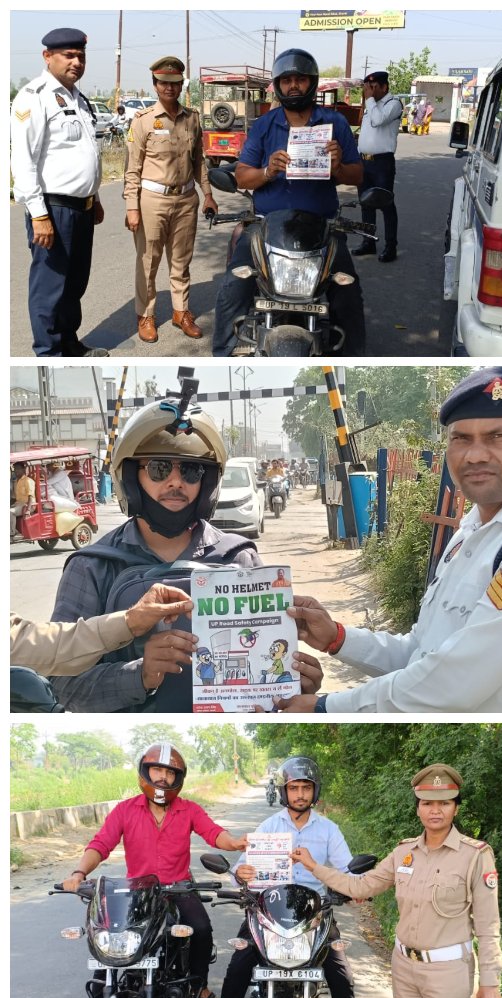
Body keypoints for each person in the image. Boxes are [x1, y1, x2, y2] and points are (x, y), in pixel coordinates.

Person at [270, 367, 502, 713]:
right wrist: (337, 637)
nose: (475, 455)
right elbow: (420, 654)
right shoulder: (467, 534)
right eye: (461, 438)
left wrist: (325, 708)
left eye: (498, 436)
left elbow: (451, 682)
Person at [48, 390, 322, 711]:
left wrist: (292, 681)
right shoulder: (92, 567)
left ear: (206, 484)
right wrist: (141, 675)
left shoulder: (238, 558)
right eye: (160, 469)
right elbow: (62, 684)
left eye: (191, 471)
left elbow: (263, 681)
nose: (176, 482)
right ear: (131, 478)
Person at [292, 764, 502, 998]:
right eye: (427, 803)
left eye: (444, 803)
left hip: (448, 972)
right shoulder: (405, 852)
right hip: (404, 967)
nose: (435, 811)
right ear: (418, 808)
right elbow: (361, 886)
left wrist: (491, 982)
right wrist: (314, 866)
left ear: (455, 808)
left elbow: (487, 924)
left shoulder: (475, 855)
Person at [63, 743, 248, 998]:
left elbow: (214, 833)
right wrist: (78, 873)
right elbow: (100, 845)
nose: (162, 778)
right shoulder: (125, 810)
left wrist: (236, 843)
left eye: (169, 772)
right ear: (145, 773)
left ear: (178, 778)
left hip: (179, 888)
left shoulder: (188, 809)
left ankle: (199, 986)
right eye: (157, 770)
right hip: (139, 891)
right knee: (108, 944)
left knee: (201, 929)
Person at [205, 756, 358, 998]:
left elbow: (348, 871)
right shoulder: (269, 827)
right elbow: (238, 869)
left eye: (305, 788)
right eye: (294, 788)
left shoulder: (329, 829)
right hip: (267, 909)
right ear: (284, 792)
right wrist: (242, 874)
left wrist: (354, 890)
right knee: (238, 965)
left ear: (314, 792)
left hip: (315, 912)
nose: (300, 794)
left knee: (341, 971)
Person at [211, 48, 365, 356]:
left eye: (300, 79)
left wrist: (338, 168)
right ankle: (224, 355)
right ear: (279, 85)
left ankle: (351, 357)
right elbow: (242, 176)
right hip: (266, 226)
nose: (293, 86)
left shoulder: (333, 123)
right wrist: (268, 171)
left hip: (323, 228)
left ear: (312, 83)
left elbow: (358, 174)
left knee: (348, 294)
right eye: (287, 80)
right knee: (234, 287)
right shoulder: (265, 125)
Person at [10, 28, 108, 357]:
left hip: (80, 207)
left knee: (74, 283)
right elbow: (23, 161)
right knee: (49, 287)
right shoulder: (33, 96)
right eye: (68, 55)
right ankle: (48, 354)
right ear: (47, 57)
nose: (76, 62)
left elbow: (82, 154)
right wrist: (38, 215)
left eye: (80, 56)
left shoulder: (78, 99)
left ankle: (69, 342)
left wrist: (93, 197)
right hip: (52, 209)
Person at [123, 56, 217, 343]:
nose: (169, 88)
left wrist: (208, 195)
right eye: (163, 83)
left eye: (175, 83)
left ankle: (180, 312)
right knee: (148, 262)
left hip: (185, 199)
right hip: (152, 200)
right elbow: (132, 169)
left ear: (181, 86)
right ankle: (146, 315)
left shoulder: (192, 119)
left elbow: (199, 161)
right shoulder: (142, 122)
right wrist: (132, 207)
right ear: (155, 85)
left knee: (181, 261)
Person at [11, 583, 192, 674]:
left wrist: (130, 622)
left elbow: (30, 644)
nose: (173, 508)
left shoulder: (221, 555)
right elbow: (64, 687)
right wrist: (141, 676)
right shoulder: (89, 564)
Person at [352, 70, 402, 262]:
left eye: (373, 87)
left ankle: (391, 246)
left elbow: (379, 120)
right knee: (366, 203)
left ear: (384, 87)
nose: (369, 91)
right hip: (364, 161)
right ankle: (368, 242)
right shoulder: (370, 105)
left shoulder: (393, 104)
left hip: (382, 163)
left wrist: (370, 100)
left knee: (386, 204)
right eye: (367, 88)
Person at [10, 462, 35, 534]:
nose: (16, 471)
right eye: (15, 469)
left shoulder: (28, 481)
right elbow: (14, 497)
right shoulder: (16, 482)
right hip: (18, 504)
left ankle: (12, 532)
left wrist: (28, 510)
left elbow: (31, 496)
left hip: (27, 504)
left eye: (18, 469)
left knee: (10, 512)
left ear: (23, 469)